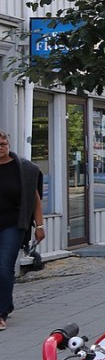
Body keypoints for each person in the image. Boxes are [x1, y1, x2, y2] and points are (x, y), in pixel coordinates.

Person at [0, 130, 44, 331]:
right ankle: (6, 304)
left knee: (4, 268)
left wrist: (39, 225)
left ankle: (1, 313)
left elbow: (34, 199)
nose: (1, 147)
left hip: (12, 224)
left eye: (4, 143)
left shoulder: (24, 169)